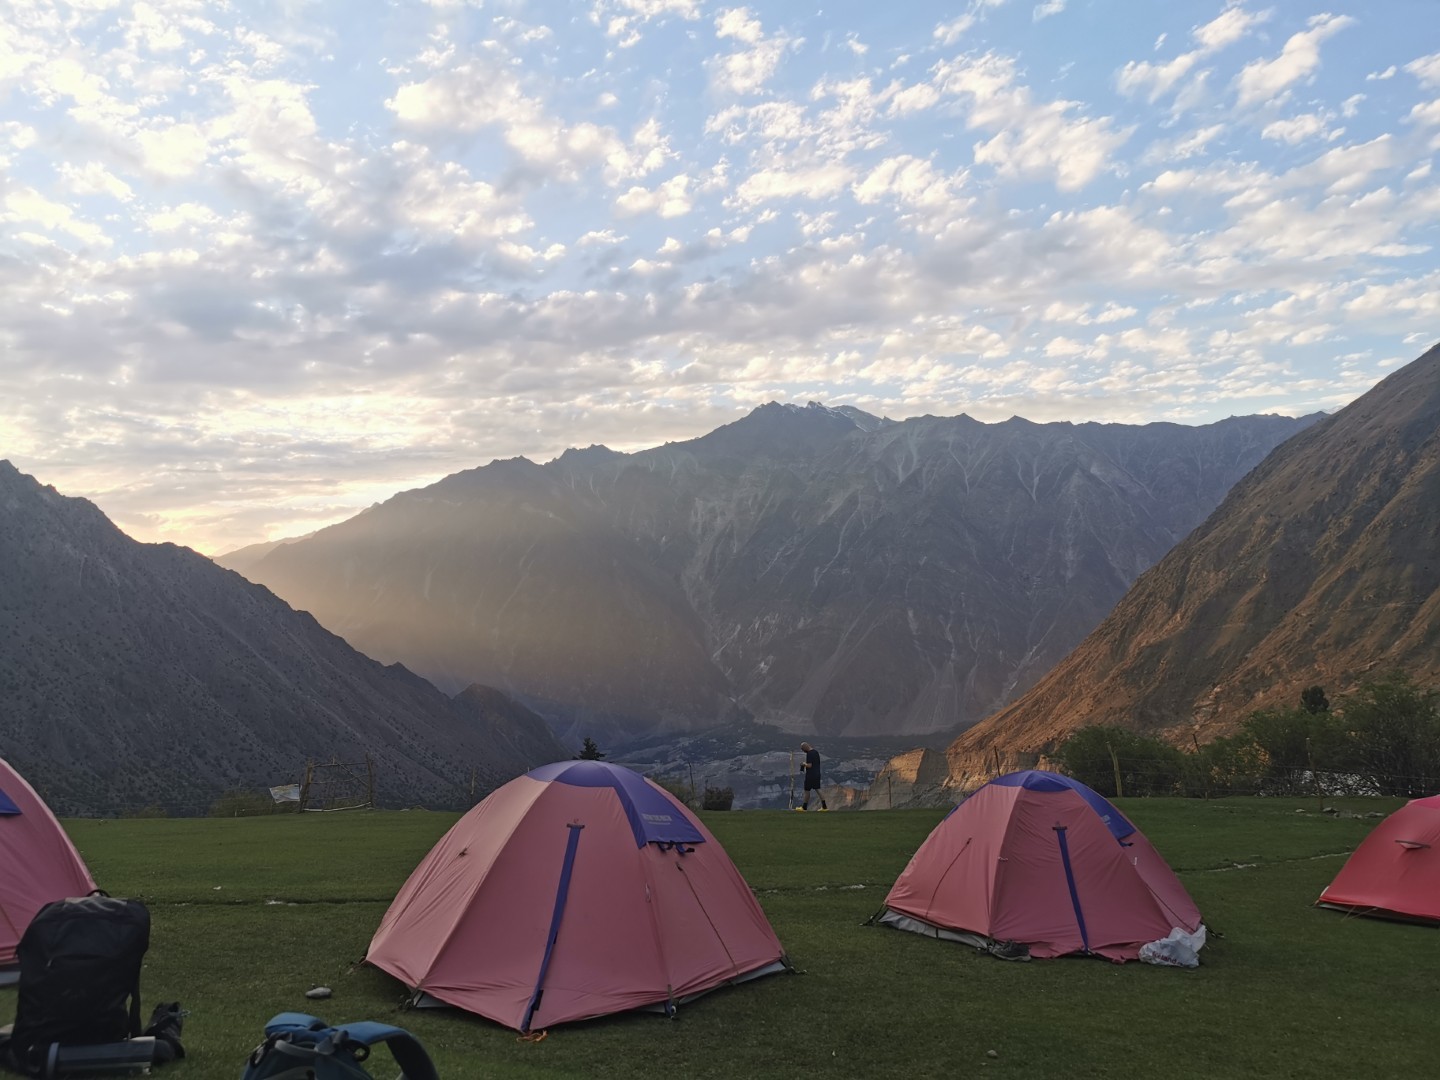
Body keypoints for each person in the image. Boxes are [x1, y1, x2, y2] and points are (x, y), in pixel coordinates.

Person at [795, 742, 827, 811]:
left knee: (807, 790)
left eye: (803, 749)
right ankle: (824, 806)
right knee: (818, 789)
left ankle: (804, 807)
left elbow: (810, 765)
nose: (803, 751)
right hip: (817, 773)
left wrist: (804, 764)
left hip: (810, 774)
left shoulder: (809, 754)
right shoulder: (815, 752)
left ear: (805, 748)